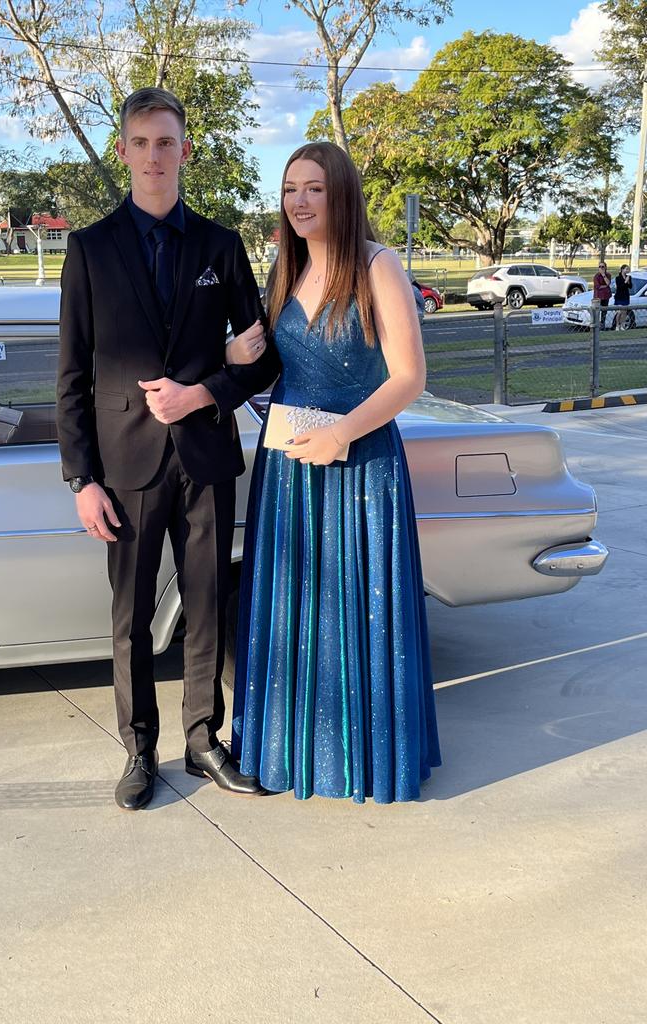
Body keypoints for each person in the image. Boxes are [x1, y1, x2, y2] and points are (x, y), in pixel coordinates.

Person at [56, 87, 281, 811]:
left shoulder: (221, 246)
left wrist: (204, 390)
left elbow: (261, 358)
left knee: (210, 603)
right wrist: (81, 478)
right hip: (124, 467)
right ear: (122, 151)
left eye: (167, 142)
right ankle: (139, 748)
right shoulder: (89, 249)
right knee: (128, 617)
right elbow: (70, 372)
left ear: (186, 150)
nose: (155, 155)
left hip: (207, 458)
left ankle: (203, 738)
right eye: (142, 142)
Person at [226, 142, 441, 804]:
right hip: (290, 473)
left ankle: (368, 763)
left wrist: (342, 433)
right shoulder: (285, 269)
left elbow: (410, 377)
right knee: (297, 611)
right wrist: (233, 351)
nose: (300, 201)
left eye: (315, 188)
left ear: (341, 194)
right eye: (291, 188)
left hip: (361, 467)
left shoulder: (379, 264)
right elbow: (274, 363)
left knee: (358, 608)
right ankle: (297, 755)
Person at [593, 261, 612, 329]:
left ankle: (602, 325)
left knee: (604, 311)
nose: (601, 268)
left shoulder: (608, 275)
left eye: (602, 266)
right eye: (599, 266)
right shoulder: (596, 276)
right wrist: (605, 286)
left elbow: (608, 283)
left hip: (606, 296)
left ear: (605, 267)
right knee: (597, 311)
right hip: (598, 296)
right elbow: (598, 286)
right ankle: (596, 325)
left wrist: (604, 275)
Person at [613, 264, 632, 330]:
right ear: (622, 269)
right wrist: (625, 281)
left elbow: (630, 287)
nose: (627, 270)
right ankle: (617, 325)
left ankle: (622, 325)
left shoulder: (628, 277)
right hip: (619, 296)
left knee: (624, 312)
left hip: (625, 296)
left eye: (628, 269)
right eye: (626, 269)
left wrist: (628, 282)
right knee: (619, 312)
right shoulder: (618, 278)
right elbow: (620, 287)